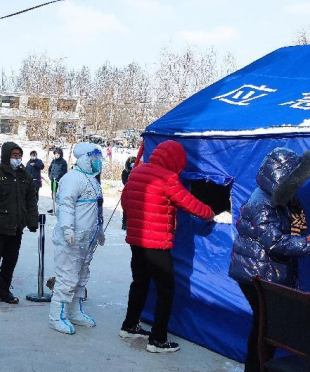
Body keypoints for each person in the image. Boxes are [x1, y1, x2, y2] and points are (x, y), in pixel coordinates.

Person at [228, 148, 310, 372]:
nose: (298, 185)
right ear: (282, 177)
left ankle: (258, 367)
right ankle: (257, 368)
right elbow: (275, 243)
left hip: (262, 270)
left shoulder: (278, 200)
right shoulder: (262, 203)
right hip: (254, 272)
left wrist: (308, 240)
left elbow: (283, 235)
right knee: (266, 328)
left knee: (264, 327)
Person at [120, 140, 214, 353]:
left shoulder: (137, 172)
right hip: (156, 244)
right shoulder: (167, 178)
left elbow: (126, 201)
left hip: (136, 240)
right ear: (174, 160)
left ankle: (129, 325)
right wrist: (210, 213)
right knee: (166, 291)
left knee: (139, 282)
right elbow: (189, 202)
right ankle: (158, 339)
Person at [49, 143, 105, 334]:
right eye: (94, 158)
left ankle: (74, 311)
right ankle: (57, 315)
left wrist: (100, 231)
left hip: (87, 238)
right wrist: (67, 229)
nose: (98, 162)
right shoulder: (72, 178)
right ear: (85, 159)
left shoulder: (92, 180)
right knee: (67, 276)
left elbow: (96, 209)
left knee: (81, 276)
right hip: (71, 238)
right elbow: (66, 205)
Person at [0, 142, 39, 306]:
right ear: (6, 156)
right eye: (13, 155)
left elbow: (31, 201)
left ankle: (4, 291)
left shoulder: (25, 175)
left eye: (19, 155)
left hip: (16, 227)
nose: (17, 158)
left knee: (10, 261)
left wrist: (32, 221)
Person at [48, 148, 68, 213]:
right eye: (56, 153)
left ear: (61, 154)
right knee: (53, 193)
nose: (56, 155)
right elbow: (50, 169)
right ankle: (53, 207)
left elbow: (64, 171)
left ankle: (59, 208)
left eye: (58, 153)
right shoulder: (53, 161)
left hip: (59, 181)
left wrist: (58, 178)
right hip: (53, 180)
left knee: (59, 194)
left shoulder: (63, 162)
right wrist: (50, 176)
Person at [121, 156, 136, 230]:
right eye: (131, 163)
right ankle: (124, 223)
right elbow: (124, 181)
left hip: (136, 193)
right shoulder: (125, 172)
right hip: (128, 192)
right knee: (126, 208)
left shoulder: (137, 172)